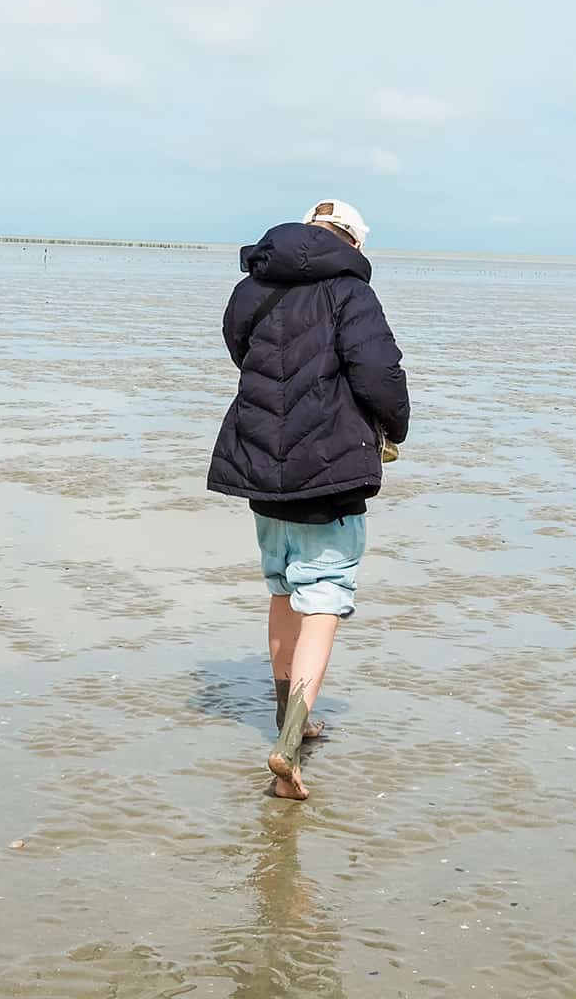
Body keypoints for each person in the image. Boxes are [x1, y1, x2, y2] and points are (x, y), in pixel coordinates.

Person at [208, 199, 410, 801]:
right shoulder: (350, 290)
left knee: (282, 586)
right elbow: (378, 369)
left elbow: (242, 350)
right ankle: (291, 744)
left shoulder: (255, 285)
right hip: (329, 464)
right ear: (353, 243)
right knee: (324, 594)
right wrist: (394, 428)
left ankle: (285, 719)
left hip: (261, 456)